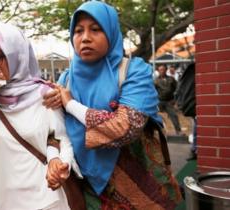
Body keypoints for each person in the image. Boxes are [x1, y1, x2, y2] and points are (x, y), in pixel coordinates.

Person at [44, 1, 181, 209]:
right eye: (78, 31)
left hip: (140, 188)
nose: (85, 38)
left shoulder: (134, 71)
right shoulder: (66, 79)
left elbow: (125, 127)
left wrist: (70, 104)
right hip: (87, 189)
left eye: (96, 29)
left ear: (111, 32)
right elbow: (55, 131)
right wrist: (54, 159)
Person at [0, 23, 80, 210]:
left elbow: (60, 139)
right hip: (0, 200)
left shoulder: (45, 95)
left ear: (16, 54)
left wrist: (60, 164)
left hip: (44, 199)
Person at [155, 64, 183, 135]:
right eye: (160, 70)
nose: (162, 71)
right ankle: (157, 132)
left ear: (166, 70)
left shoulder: (171, 79)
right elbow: (152, 92)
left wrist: (175, 100)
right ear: (158, 71)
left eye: (163, 69)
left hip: (169, 102)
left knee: (174, 115)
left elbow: (177, 89)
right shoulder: (155, 81)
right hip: (159, 102)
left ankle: (178, 131)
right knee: (155, 116)